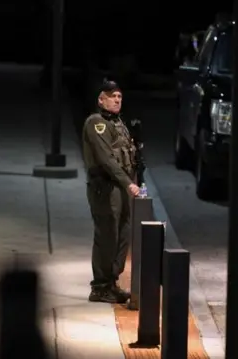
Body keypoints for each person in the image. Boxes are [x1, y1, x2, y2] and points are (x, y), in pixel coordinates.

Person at [82, 80, 140, 303]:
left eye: (119, 96)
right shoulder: (96, 123)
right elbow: (106, 160)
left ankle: (111, 282)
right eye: (112, 96)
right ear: (101, 99)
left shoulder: (118, 123)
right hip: (105, 187)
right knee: (107, 235)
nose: (117, 100)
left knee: (123, 233)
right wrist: (128, 183)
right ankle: (100, 286)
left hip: (121, 186)